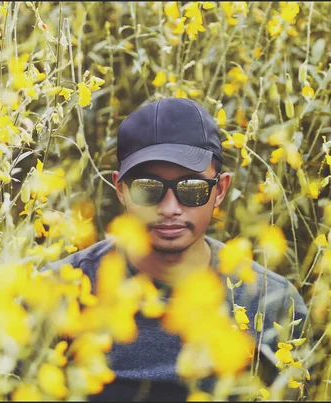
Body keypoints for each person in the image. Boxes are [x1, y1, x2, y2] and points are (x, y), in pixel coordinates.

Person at [41, 98, 308, 401]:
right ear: (121, 190)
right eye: (147, 188)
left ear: (219, 190)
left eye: (191, 188)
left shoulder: (271, 303)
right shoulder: (61, 291)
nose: (169, 209)